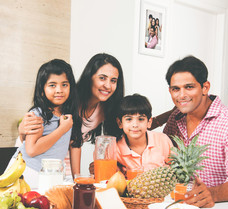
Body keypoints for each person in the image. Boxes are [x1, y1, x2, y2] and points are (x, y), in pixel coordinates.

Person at [18, 53, 173, 176]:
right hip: (36, 158)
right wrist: (21, 130)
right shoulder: (68, 100)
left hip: (60, 162)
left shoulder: (107, 108)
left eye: (113, 80)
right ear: (89, 77)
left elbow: (135, 125)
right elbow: (38, 136)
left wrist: (171, 113)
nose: (107, 85)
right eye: (102, 78)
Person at [163, 55, 228, 208]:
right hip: (188, 208)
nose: (181, 95)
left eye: (189, 87)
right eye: (176, 89)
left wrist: (212, 194)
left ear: (205, 87)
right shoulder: (175, 119)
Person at [8, 59, 82, 188]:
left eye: (64, 84)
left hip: (51, 175)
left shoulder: (70, 116)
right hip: (26, 172)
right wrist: (61, 130)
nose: (59, 90)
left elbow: (75, 145)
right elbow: (31, 150)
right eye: (52, 85)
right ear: (42, 89)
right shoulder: (37, 115)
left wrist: (78, 179)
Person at [113, 94, 173, 178]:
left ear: (149, 122)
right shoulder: (115, 149)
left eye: (141, 119)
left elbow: (176, 168)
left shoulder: (162, 140)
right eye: (129, 119)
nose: (135, 125)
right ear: (120, 123)